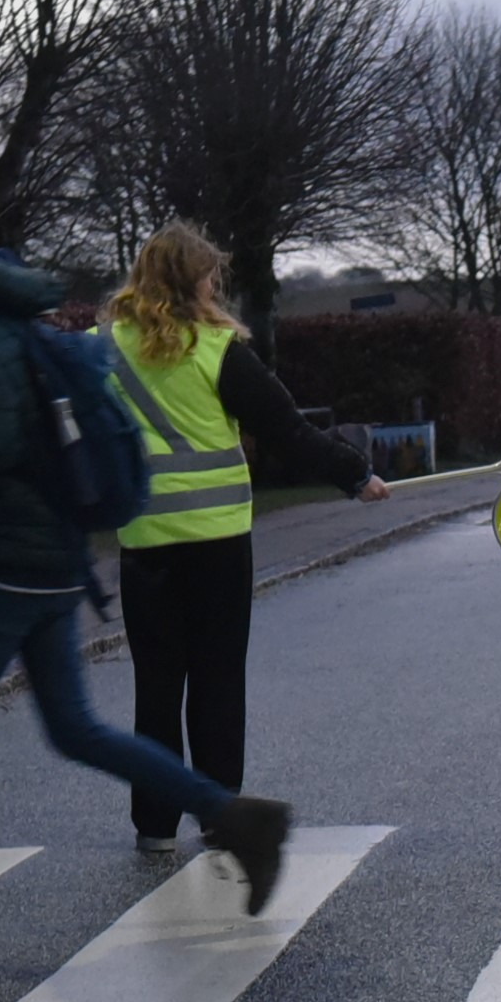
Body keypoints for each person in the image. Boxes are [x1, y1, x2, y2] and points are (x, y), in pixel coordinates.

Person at [0, 185, 293, 966]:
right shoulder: (11, 309)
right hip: (54, 552)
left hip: (6, 559)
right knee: (75, 729)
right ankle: (234, 819)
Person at [100, 222, 389, 852]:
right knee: (217, 679)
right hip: (217, 545)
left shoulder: (108, 349)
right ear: (190, 280)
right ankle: (217, 813)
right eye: (209, 273)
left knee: (156, 686)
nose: (215, 282)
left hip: (145, 541)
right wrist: (354, 473)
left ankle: (153, 825)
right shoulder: (216, 350)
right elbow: (285, 428)